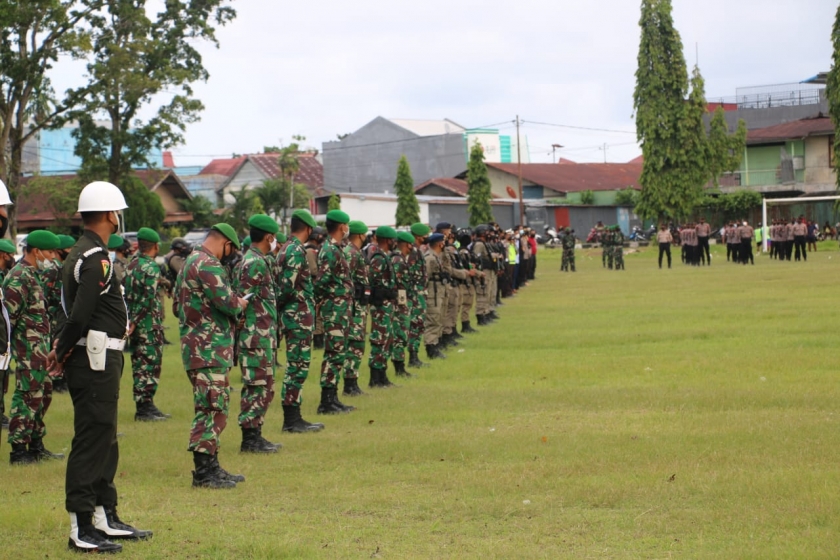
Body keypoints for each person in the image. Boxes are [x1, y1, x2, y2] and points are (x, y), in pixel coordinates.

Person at [49, 181, 151, 552]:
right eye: (117, 213)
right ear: (110, 214)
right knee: (92, 439)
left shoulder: (84, 252)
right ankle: (81, 525)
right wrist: (59, 350)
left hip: (101, 355)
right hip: (93, 357)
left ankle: (104, 515)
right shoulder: (95, 258)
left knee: (104, 436)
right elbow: (79, 315)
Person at [4, 230, 62, 465]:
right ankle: (18, 450)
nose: (52, 257)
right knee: (27, 396)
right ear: (36, 251)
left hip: (40, 349)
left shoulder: (32, 274)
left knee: (43, 395)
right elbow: (9, 319)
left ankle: (36, 444)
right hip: (27, 350)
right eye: (49, 252)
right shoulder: (18, 277)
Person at [233, 215, 282, 453]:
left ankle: (256, 434)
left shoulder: (255, 260)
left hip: (260, 334)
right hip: (255, 336)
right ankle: (250, 439)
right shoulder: (255, 262)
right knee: (257, 385)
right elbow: (241, 301)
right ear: (269, 237)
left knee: (264, 385)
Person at [276, 209, 324, 433]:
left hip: (297, 314)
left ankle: (294, 417)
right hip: (297, 316)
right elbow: (286, 286)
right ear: (308, 228)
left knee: (298, 365)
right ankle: (292, 420)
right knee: (297, 366)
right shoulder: (295, 250)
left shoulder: (288, 248)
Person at [124, 227, 169, 422]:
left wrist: (131, 320)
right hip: (148, 324)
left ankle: (146, 405)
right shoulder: (151, 267)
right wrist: (136, 321)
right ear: (156, 246)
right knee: (149, 364)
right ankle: (144, 408)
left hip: (136, 322)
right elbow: (149, 298)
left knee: (139, 363)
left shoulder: (131, 264)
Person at [314, 210, 355, 414]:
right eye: (347, 225)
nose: (348, 228)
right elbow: (321, 280)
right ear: (341, 226)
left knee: (339, 354)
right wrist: (329, 299)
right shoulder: (330, 249)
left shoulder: (336, 248)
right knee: (334, 353)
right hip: (334, 309)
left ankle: (333, 398)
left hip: (340, 308)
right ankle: (326, 402)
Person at [42, 233, 75, 394]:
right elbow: (46, 294)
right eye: (69, 248)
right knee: (53, 345)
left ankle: (60, 379)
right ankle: (56, 381)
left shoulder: (61, 267)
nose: (71, 251)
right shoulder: (54, 269)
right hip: (52, 315)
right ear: (60, 250)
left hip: (58, 314)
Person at [367, 226, 399, 387]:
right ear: (387, 240)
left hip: (387, 305)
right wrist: (385, 293)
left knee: (387, 339)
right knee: (379, 339)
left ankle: (382, 375)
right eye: (393, 240)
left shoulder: (385, 256)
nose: (395, 243)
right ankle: (375, 377)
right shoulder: (378, 257)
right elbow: (374, 281)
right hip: (380, 305)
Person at [342, 220, 371, 396]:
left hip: (358, 305)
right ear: (361, 235)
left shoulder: (353, 251)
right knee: (355, 343)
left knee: (357, 343)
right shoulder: (351, 253)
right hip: (354, 306)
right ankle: (349, 384)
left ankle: (352, 382)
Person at [390, 231, 417, 378]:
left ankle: (400, 365)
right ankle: (399, 368)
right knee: (400, 334)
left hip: (399, 301)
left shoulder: (396, 258)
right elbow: (400, 285)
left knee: (400, 335)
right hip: (399, 303)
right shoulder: (398, 261)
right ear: (407, 244)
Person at [407, 223, 430, 368]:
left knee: (419, 325)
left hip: (419, 292)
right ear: (418, 236)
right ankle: (413, 357)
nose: (427, 238)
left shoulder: (416, 250)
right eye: (425, 235)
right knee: (416, 324)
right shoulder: (413, 252)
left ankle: (414, 355)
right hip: (415, 294)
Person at [423, 233, 447, 359]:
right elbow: (424, 278)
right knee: (433, 321)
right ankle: (431, 348)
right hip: (433, 295)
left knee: (437, 320)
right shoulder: (430, 258)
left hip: (438, 293)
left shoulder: (435, 257)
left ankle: (435, 345)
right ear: (439, 243)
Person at [0, 237, 14, 429]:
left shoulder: (2, 275)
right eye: (10, 254)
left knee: (2, 378)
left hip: (4, 339)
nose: (12, 257)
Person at [305, 226, 326, 350]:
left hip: (317, 285)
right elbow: (313, 270)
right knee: (317, 315)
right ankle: (318, 342)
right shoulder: (309, 251)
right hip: (313, 286)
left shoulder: (316, 250)